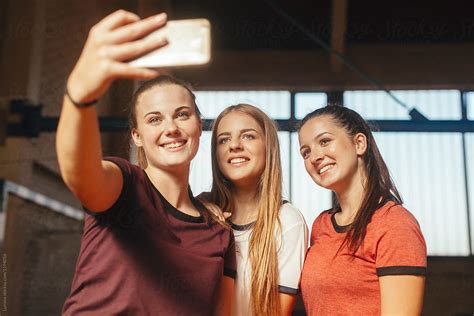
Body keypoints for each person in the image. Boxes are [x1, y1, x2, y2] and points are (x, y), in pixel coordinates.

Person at [57, 10, 235, 315]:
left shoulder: (218, 231)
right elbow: (80, 174)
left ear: (198, 124)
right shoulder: (124, 185)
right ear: (137, 136)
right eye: (155, 119)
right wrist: (79, 97)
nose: (171, 128)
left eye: (182, 114)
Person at [298, 105, 427, 315]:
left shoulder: (394, 224)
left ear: (359, 143)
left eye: (324, 141)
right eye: (306, 152)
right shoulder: (321, 225)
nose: (314, 157)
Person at [204, 104, 308, 316]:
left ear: (268, 146)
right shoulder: (198, 212)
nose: (234, 145)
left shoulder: (288, 222)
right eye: (223, 140)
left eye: (248, 136)